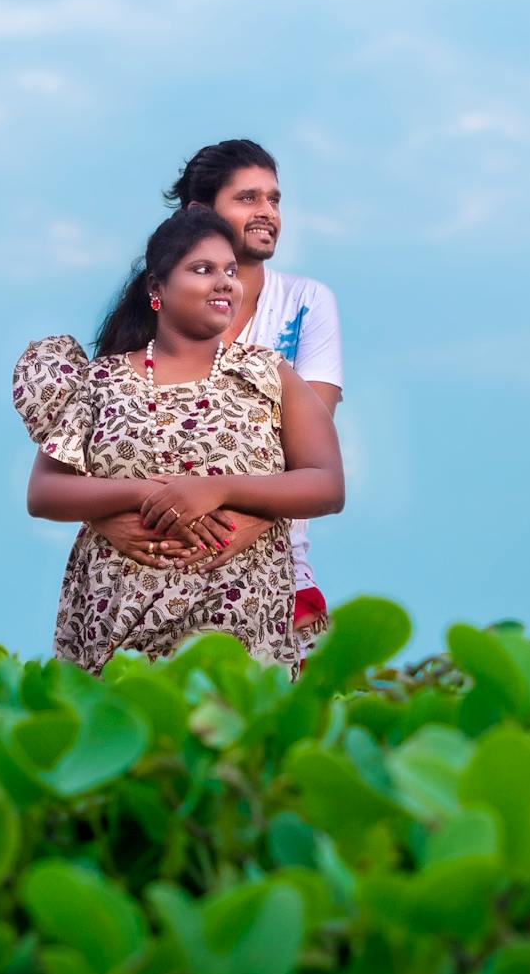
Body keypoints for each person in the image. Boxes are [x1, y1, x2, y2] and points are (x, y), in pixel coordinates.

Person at [11, 206, 344, 674]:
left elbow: (327, 485)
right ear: (156, 289)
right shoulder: (100, 382)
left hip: (238, 626)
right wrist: (139, 495)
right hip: (117, 626)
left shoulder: (269, 375)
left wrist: (219, 489)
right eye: (202, 269)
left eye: (230, 270)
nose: (224, 282)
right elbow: (44, 493)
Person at [88, 140, 345, 631]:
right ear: (199, 212)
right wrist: (107, 522)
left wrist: (243, 521)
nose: (267, 212)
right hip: (143, 574)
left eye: (274, 199)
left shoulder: (306, 303)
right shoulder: (147, 322)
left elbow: (303, 455)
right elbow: (94, 460)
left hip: (274, 569)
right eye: (247, 198)